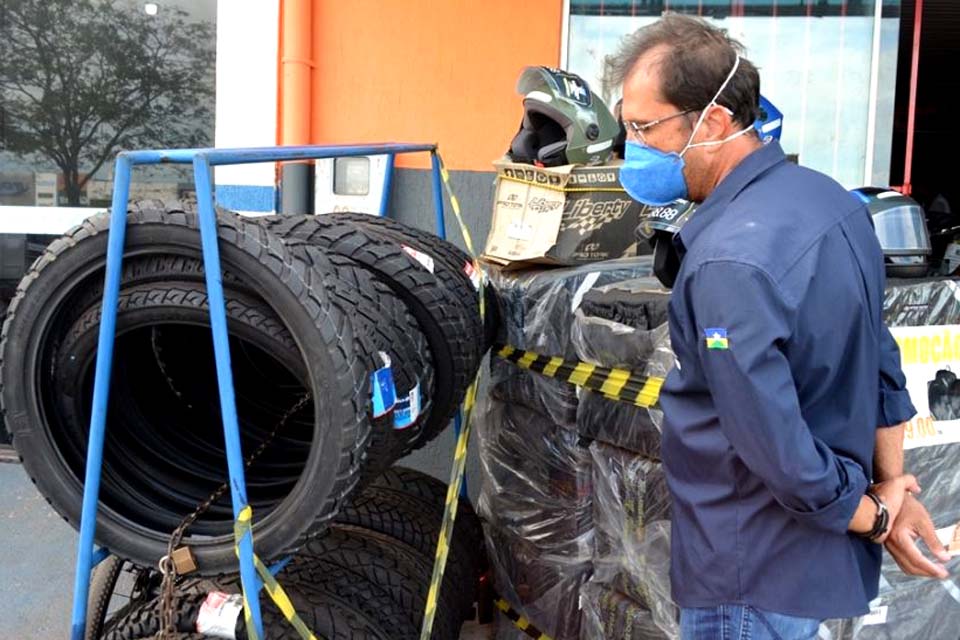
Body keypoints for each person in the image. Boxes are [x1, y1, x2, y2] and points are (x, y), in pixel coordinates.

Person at [611, 14, 952, 638]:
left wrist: (872, 513)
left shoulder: (726, 264)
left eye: (642, 127)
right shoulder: (832, 202)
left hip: (749, 566)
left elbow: (767, 433)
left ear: (711, 122)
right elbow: (879, 358)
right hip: (797, 566)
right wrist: (891, 488)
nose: (629, 147)